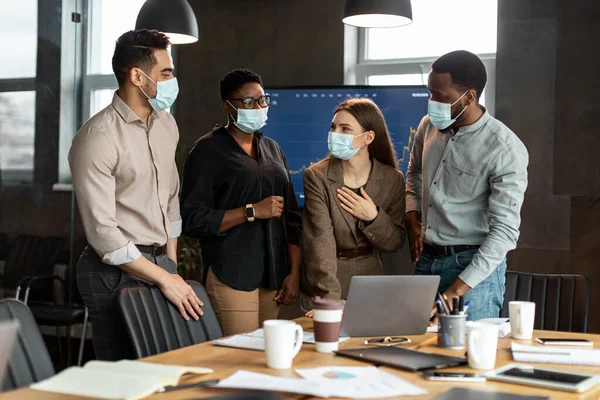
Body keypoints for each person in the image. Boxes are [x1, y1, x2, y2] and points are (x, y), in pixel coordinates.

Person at [69, 30, 203, 361]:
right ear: (137, 76)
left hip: (160, 261)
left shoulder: (166, 125)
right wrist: (164, 278)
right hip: (111, 272)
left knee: (165, 365)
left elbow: (171, 197)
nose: (173, 80)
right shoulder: (96, 138)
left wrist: (170, 264)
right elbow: (103, 234)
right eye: (167, 73)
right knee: (124, 374)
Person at [405, 50, 529, 321]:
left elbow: (505, 233)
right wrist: (412, 216)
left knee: (469, 358)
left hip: (473, 269)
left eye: (440, 96)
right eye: (430, 93)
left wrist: (454, 292)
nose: (431, 102)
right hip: (426, 260)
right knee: (410, 349)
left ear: (469, 97)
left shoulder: (504, 148)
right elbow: (414, 172)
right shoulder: (428, 126)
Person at [180, 68, 302, 336]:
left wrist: (294, 273)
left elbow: (292, 219)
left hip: (274, 275)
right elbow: (192, 219)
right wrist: (251, 211)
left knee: (265, 356)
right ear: (227, 105)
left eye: (262, 100)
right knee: (242, 355)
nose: (257, 107)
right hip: (232, 274)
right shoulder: (207, 151)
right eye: (247, 102)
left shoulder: (272, 148)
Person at [301, 98, 407, 311]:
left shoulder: (392, 179)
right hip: (327, 282)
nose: (335, 134)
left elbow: (394, 242)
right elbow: (320, 245)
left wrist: (374, 217)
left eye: (345, 128)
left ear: (368, 137)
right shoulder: (317, 177)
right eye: (333, 127)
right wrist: (330, 301)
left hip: (370, 284)